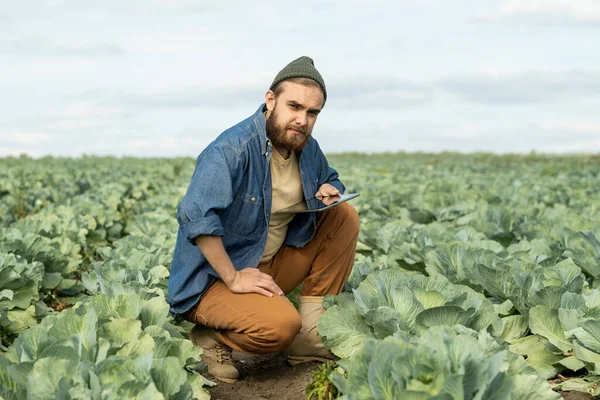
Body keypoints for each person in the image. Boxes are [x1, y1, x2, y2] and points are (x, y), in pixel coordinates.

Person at [167, 56, 360, 383]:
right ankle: (210, 337)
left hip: (264, 264)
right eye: (294, 106)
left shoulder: (305, 147)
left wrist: (331, 189)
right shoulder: (232, 149)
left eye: (312, 113)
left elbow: (332, 178)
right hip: (213, 280)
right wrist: (233, 278)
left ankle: (310, 335)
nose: (302, 119)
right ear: (270, 100)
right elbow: (196, 216)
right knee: (279, 328)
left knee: (343, 215)